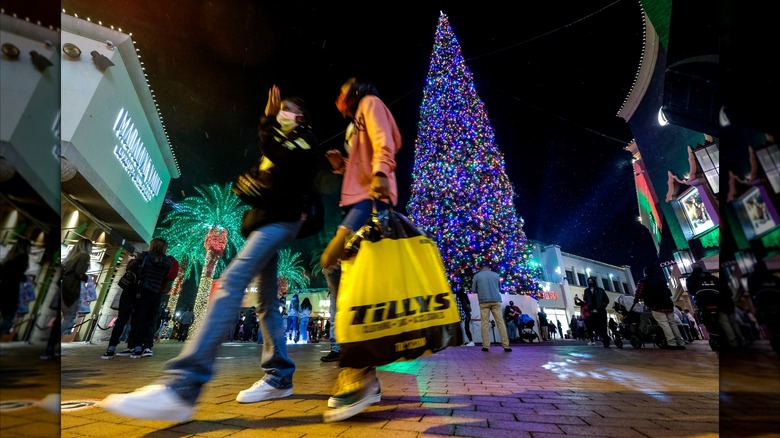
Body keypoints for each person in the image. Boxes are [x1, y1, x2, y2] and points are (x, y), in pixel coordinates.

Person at [101, 86, 319, 422]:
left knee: (231, 284)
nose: (281, 114)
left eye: (287, 110)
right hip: (266, 222)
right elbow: (270, 179)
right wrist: (252, 185)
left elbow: (280, 156)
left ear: (299, 117)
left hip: (280, 223)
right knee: (265, 303)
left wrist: (266, 120)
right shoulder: (281, 144)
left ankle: (183, 387)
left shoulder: (302, 141)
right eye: (280, 111)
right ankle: (279, 376)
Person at [319, 77, 402, 422]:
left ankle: (359, 369)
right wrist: (342, 164)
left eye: (343, 88)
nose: (339, 93)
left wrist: (382, 171)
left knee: (332, 262)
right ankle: (363, 372)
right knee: (348, 275)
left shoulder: (370, 105)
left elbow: (386, 140)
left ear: (357, 90)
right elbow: (361, 161)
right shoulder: (354, 125)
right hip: (359, 198)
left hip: (370, 199)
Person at [102, 238, 172, 359]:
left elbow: (130, 268)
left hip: (133, 290)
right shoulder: (166, 262)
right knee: (141, 320)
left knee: (122, 319)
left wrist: (131, 261)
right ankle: (138, 348)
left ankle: (111, 348)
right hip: (150, 293)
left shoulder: (144, 256)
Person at [634, 266, 685, 350]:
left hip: (656, 305)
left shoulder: (643, 281)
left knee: (664, 324)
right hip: (668, 304)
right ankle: (681, 342)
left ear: (645, 273)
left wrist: (636, 299)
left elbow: (638, 292)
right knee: (672, 323)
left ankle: (672, 343)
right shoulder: (661, 280)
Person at [471, 263, 512, 353]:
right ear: (489, 268)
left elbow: (473, 290)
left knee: (485, 323)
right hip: (496, 300)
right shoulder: (495, 275)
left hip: (484, 301)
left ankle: (486, 346)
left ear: (480, 267)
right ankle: (506, 346)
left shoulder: (477, 276)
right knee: (500, 322)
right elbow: (499, 288)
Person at [60, 238, 93, 338]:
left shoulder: (71, 257)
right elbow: (79, 273)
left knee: (66, 316)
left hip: (63, 287)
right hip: (72, 288)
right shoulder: (84, 256)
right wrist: (87, 278)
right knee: (69, 317)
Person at [0, 238, 31, 336]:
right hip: (11, 290)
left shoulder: (9, 257)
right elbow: (17, 274)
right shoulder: (23, 257)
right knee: (8, 318)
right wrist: (24, 277)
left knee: (7, 317)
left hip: (2, 287)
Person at [582, 277, 611, 347]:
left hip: (601, 311)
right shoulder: (586, 291)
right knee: (594, 327)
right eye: (589, 281)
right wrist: (588, 307)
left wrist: (602, 306)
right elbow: (585, 300)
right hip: (592, 312)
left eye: (591, 281)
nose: (590, 283)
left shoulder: (600, 290)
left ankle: (606, 341)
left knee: (603, 327)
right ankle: (606, 338)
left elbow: (606, 300)